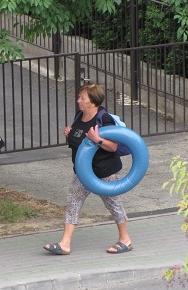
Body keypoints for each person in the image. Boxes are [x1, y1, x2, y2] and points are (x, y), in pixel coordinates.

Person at [44, 83, 132, 255]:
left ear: (93, 101)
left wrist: (97, 139)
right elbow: (77, 141)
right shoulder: (79, 116)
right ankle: (65, 244)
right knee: (73, 202)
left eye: (82, 98)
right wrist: (69, 133)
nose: (79, 101)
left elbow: (113, 147)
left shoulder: (103, 119)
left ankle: (125, 240)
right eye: (79, 97)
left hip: (104, 172)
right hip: (83, 172)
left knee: (113, 205)